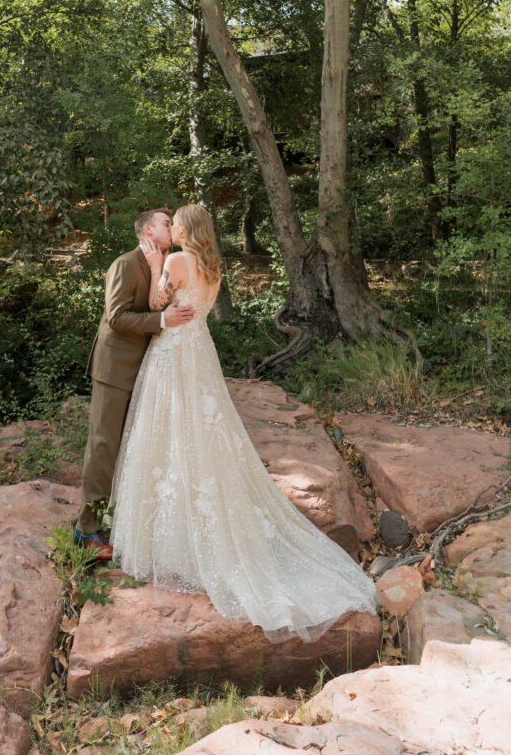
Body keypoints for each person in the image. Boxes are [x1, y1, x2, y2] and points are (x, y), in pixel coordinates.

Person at [110, 204, 378, 642]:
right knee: (204, 433)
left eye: (176, 221)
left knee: (172, 432)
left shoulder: (176, 261)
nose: (172, 226)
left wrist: (157, 265)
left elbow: (158, 305)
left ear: (188, 229)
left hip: (176, 353)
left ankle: (174, 543)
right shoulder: (213, 269)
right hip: (200, 353)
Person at [74, 208, 195, 560]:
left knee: (135, 448)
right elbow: (116, 317)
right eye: (165, 223)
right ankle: (86, 530)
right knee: (104, 446)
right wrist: (162, 319)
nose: (172, 227)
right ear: (147, 229)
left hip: (151, 368)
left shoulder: (170, 261)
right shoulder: (126, 263)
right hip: (115, 367)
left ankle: (123, 521)